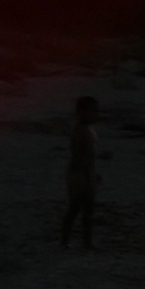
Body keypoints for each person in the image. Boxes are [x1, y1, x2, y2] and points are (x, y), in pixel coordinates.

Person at [60, 95, 100, 249]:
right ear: (82, 112)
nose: (96, 114)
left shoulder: (88, 130)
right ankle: (67, 241)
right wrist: (84, 175)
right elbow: (79, 155)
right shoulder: (80, 131)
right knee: (76, 207)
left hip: (86, 173)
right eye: (93, 111)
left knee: (87, 208)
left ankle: (86, 241)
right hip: (79, 174)